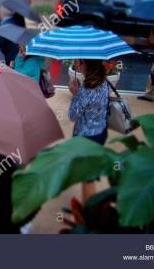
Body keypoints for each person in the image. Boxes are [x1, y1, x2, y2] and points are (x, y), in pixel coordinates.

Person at [68, 59, 110, 203]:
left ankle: (89, 216)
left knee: (88, 179)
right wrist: (79, 92)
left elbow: (72, 115)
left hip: (86, 139)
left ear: (87, 65)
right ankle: (87, 210)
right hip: (100, 132)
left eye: (81, 63)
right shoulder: (104, 82)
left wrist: (75, 94)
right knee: (88, 177)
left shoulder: (86, 89)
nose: (79, 65)